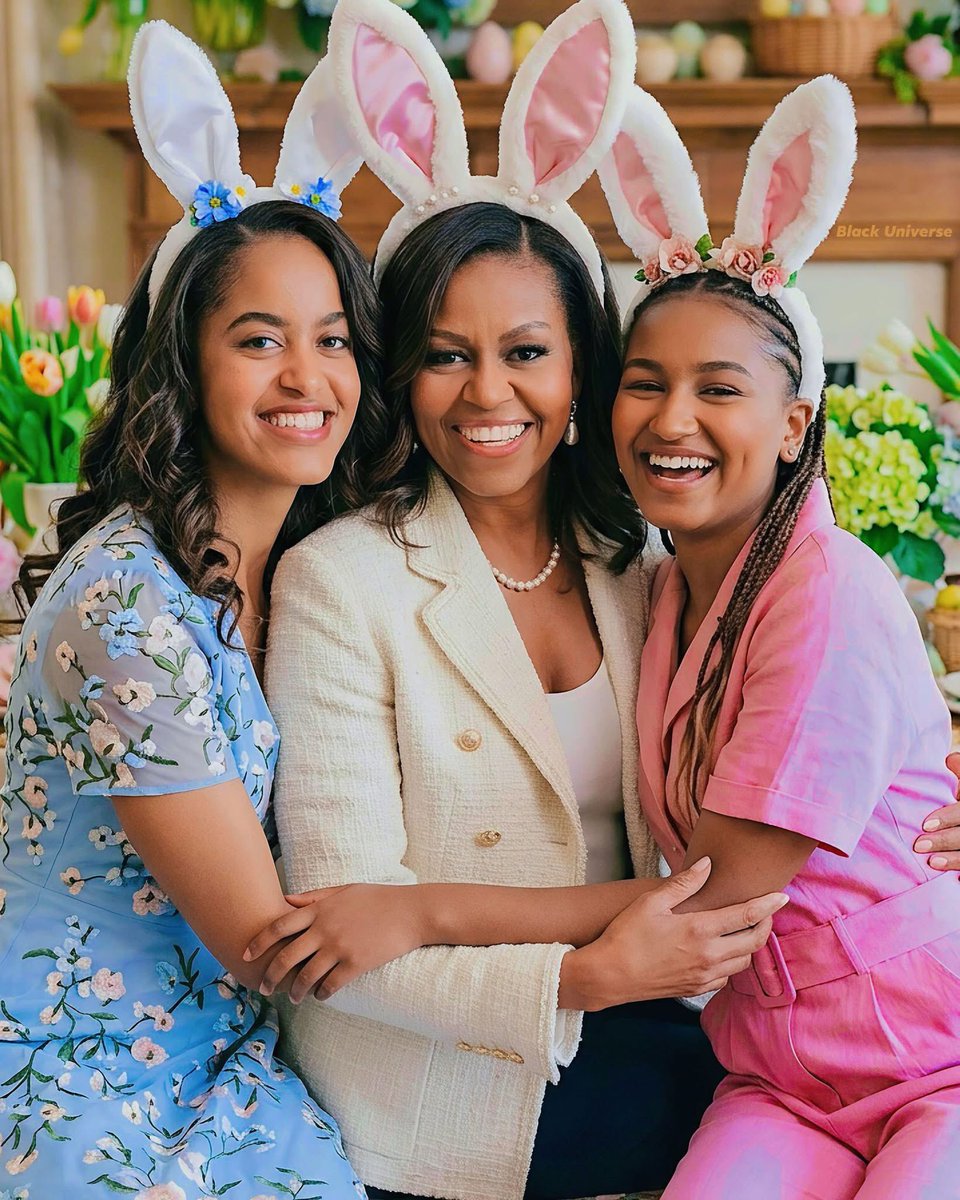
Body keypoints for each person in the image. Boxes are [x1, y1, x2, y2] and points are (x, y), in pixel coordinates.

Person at [0, 23, 379, 1196]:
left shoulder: (313, 561)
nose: (307, 379)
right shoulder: (126, 606)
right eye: (258, 340)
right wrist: (598, 941)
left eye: (332, 341)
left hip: (229, 1054)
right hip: (82, 1075)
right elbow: (272, 944)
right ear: (182, 361)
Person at [601, 79, 960, 1197]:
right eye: (645, 384)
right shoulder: (662, 594)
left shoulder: (831, 589)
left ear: (794, 422)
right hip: (776, 1073)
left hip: (940, 1055)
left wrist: (416, 916)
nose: (672, 420)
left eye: (720, 389)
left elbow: (717, 891)